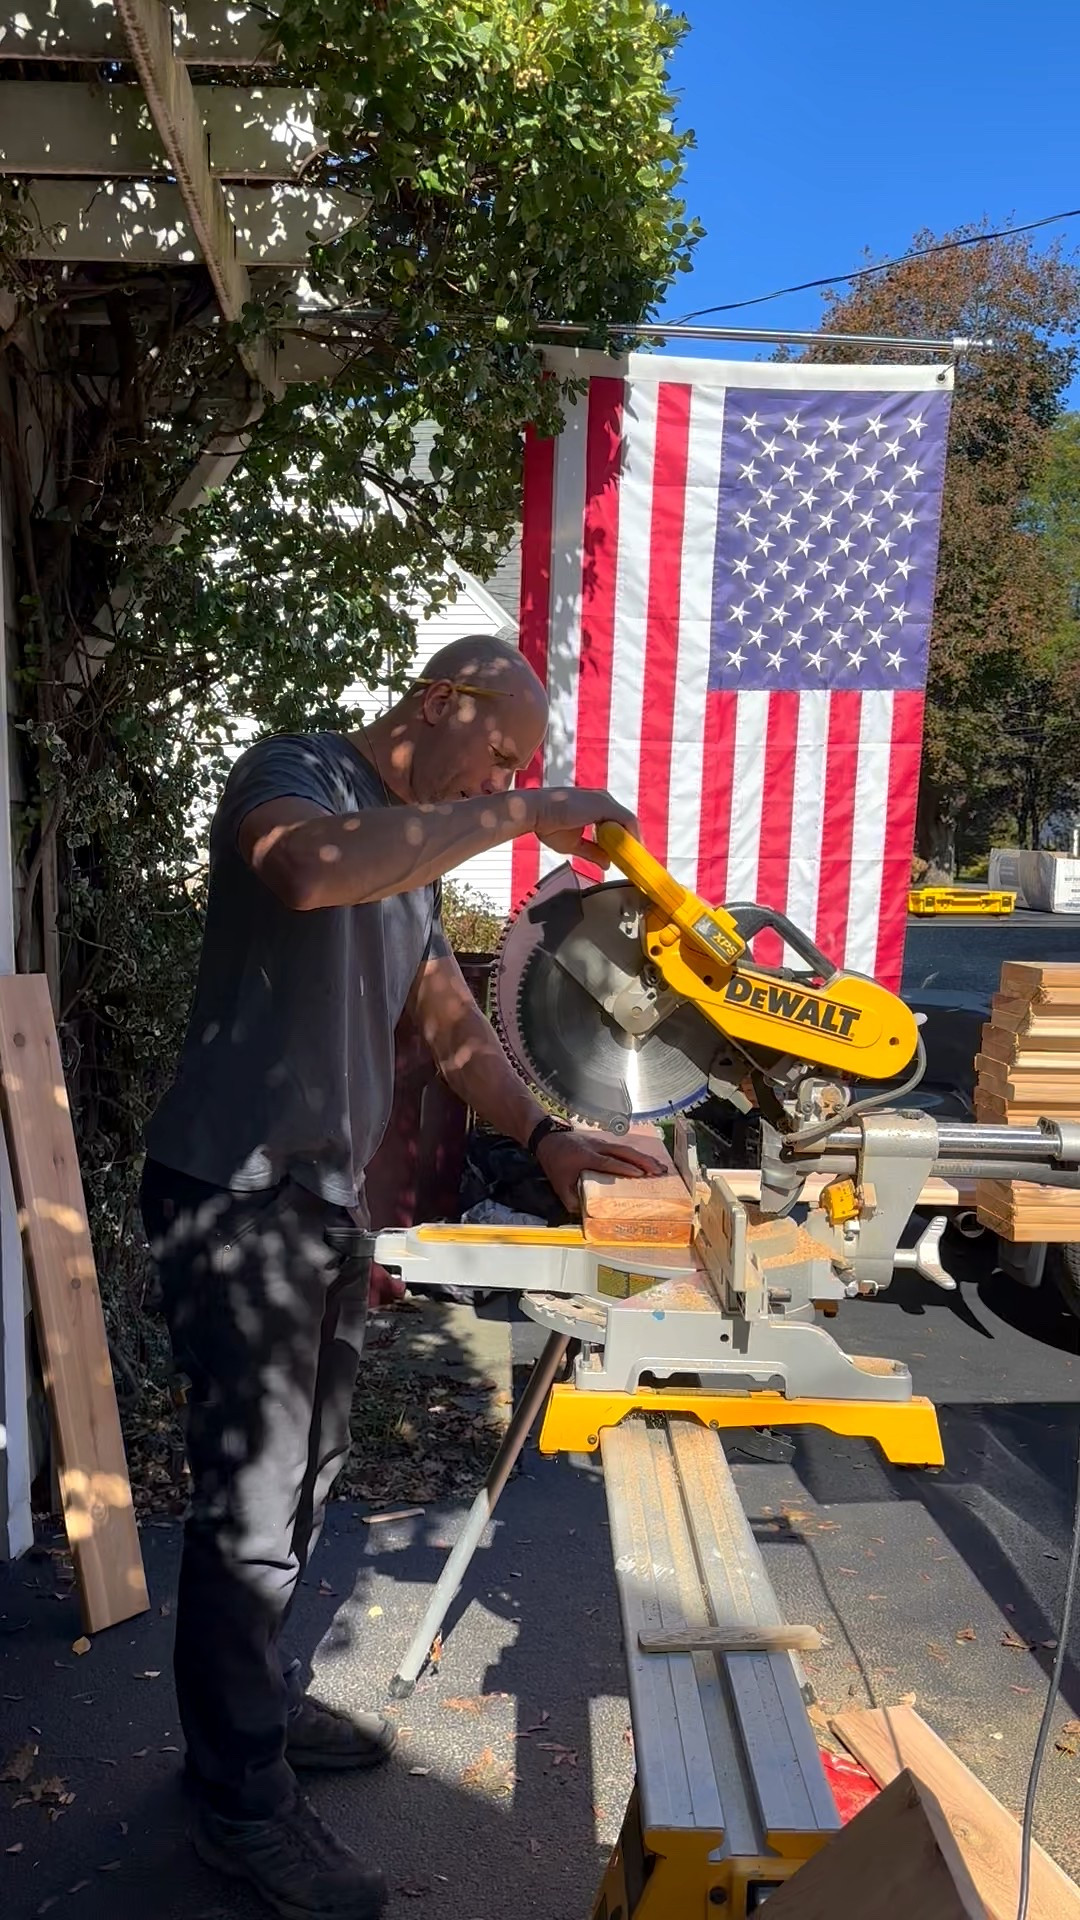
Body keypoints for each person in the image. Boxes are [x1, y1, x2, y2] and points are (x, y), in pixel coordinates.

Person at [140, 633, 661, 1920]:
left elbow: (449, 1022)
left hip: (317, 1202)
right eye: (502, 753)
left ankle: (251, 1713)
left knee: (309, 1480)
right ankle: (239, 1803)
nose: (503, 780)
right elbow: (306, 869)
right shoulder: (301, 776)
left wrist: (545, 1139)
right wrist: (532, 812)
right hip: (234, 1196)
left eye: (519, 771)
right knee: (250, 1508)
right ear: (439, 701)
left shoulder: (414, 855)